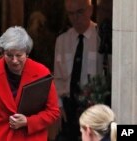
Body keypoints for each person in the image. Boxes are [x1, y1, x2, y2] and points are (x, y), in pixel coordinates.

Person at [0, 26, 60, 141]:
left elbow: (53, 111)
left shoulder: (42, 73)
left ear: (27, 53)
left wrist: (28, 121)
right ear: (2, 53)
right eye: (9, 55)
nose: (14, 60)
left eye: (19, 55)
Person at [54, 0, 103, 140]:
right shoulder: (62, 40)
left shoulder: (100, 37)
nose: (75, 18)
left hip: (93, 106)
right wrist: (59, 105)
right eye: (71, 14)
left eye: (80, 12)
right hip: (69, 106)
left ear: (90, 10)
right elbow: (58, 76)